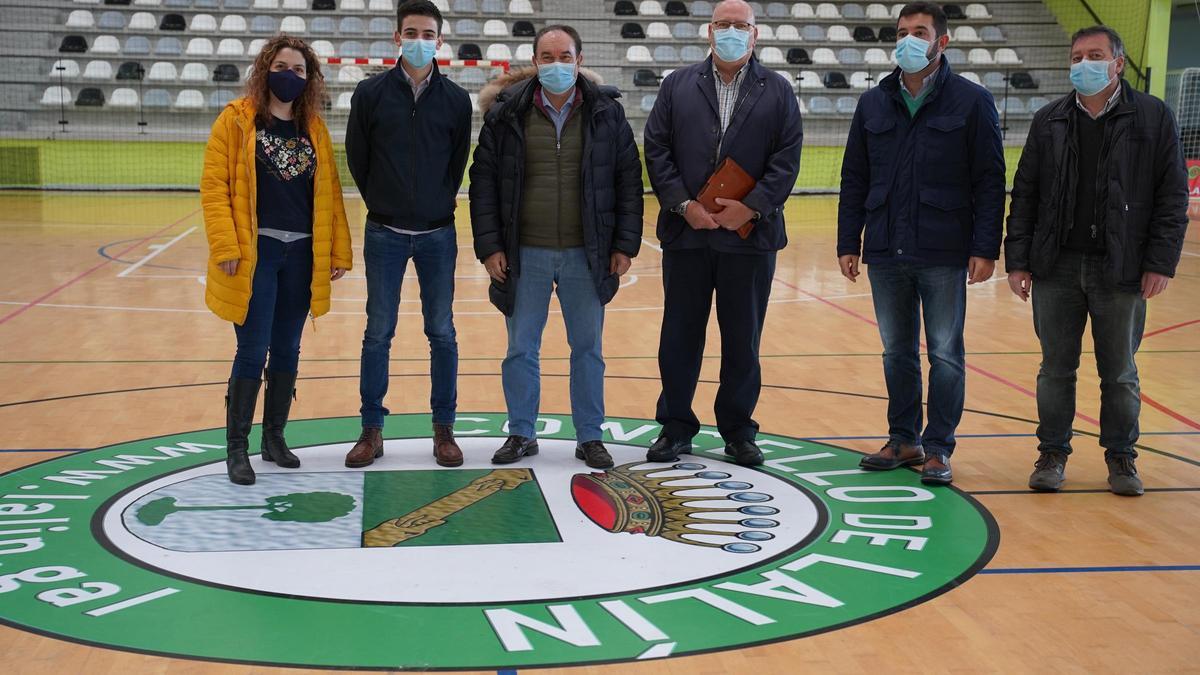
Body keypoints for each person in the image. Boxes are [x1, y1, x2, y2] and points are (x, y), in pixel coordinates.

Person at [1005, 26, 1189, 496]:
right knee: (1055, 370)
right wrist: (1018, 259)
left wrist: (1161, 262)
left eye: (1095, 55)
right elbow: (1025, 194)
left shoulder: (1153, 116)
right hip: (1056, 266)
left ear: (1118, 63)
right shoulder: (1049, 119)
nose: (1083, 63)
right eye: (1077, 56)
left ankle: (1122, 458)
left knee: (1120, 372)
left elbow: (1171, 196)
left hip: (1122, 268)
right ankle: (1052, 453)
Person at [836, 2, 1005, 485]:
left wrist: (985, 246)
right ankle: (903, 438)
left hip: (944, 250)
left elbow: (990, 180)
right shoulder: (873, 102)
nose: (909, 39)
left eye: (920, 32)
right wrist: (850, 240)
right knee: (896, 352)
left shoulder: (972, 102)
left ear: (941, 42)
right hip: (887, 248)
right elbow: (855, 178)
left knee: (946, 353)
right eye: (903, 31)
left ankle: (938, 447)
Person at [469, 25, 643, 469]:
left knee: (588, 349)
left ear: (579, 60)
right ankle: (521, 433)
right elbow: (483, 182)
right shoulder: (507, 113)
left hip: (589, 253)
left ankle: (589, 436)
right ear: (535, 61)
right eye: (547, 57)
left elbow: (628, 180)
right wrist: (490, 247)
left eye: (564, 56)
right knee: (520, 349)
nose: (556, 64)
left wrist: (624, 243)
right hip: (524, 252)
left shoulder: (606, 112)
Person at [643, 0, 802, 467]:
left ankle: (737, 430)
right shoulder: (676, 85)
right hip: (687, 234)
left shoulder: (777, 89)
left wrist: (751, 207)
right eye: (723, 24)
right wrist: (684, 204)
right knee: (679, 337)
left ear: (755, 35)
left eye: (741, 25)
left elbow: (787, 157)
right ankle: (675, 428)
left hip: (749, 238)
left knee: (742, 341)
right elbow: (656, 149)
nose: (732, 32)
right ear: (708, 32)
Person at [201, 35, 352, 485]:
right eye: (283, 66)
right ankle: (236, 449)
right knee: (252, 347)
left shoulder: (315, 128)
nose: (291, 75)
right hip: (256, 252)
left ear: (310, 79)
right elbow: (214, 189)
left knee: (287, 347)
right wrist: (226, 246)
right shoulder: (236, 121)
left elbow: (330, 196)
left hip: (302, 253)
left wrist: (338, 250)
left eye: (300, 69)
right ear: (266, 68)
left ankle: (275, 439)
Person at [343, 0, 473, 469]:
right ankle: (371, 431)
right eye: (411, 32)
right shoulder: (370, 94)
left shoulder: (457, 101)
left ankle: (444, 431)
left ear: (439, 40)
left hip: (438, 233)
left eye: (428, 33)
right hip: (385, 232)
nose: (419, 41)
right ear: (397, 38)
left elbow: (457, 163)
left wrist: (436, 201)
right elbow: (357, 158)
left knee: (442, 332)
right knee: (378, 333)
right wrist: (385, 198)